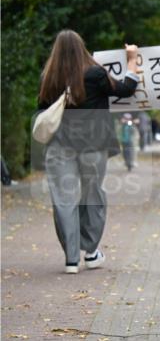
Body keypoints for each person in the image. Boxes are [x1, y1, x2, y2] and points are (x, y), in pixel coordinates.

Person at [36, 31, 141, 273]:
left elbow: (43, 110)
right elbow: (125, 89)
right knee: (92, 195)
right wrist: (132, 59)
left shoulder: (48, 77)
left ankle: (71, 258)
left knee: (63, 201)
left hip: (59, 146)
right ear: (81, 48)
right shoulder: (94, 73)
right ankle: (92, 252)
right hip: (93, 147)